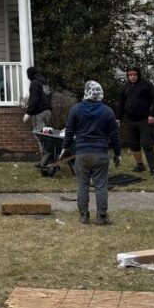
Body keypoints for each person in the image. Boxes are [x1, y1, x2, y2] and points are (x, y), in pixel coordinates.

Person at [63, 80, 121, 225]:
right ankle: (102, 216)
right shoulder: (107, 111)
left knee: (82, 184)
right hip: (100, 153)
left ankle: (84, 215)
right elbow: (114, 135)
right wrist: (117, 153)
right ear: (100, 93)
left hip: (82, 152)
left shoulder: (76, 109)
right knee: (101, 185)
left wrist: (65, 147)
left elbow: (69, 130)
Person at [117, 66, 154, 177]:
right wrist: (118, 118)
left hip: (145, 120)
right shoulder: (125, 88)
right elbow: (121, 104)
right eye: (130, 75)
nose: (132, 76)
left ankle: (153, 169)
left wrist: (152, 114)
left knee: (147, 145)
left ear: (138, 75)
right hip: (130, 121)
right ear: (128, 76)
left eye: (134, 74)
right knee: (133, 144)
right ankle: (140, 165)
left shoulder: (146, 85)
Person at [22, 66, 54, 173]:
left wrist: (28, 112)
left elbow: (34, 99)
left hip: (39, 113)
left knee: (41, 137)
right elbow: (48, 97)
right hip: (47, 112)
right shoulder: (43, 82)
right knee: (47, 136)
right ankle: (49, 158)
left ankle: (45, 161)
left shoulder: (34, 83)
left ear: (30, 74)